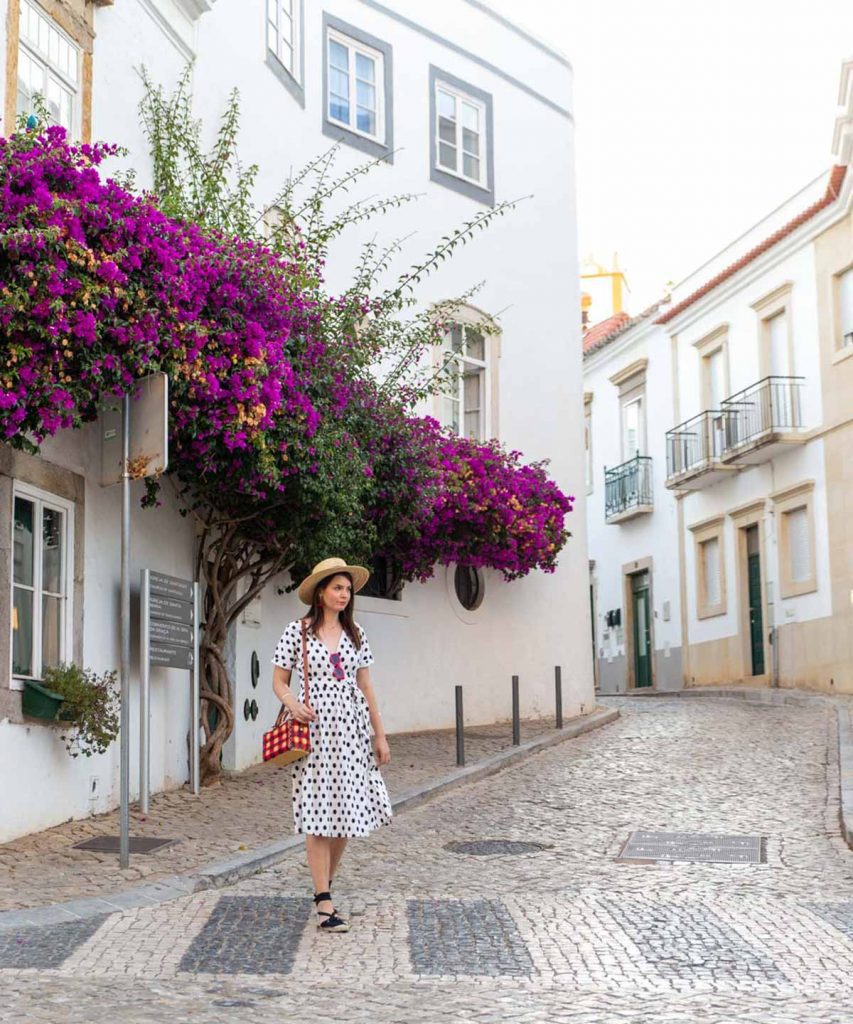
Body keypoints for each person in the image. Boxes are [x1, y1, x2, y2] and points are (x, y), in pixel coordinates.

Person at [271, 557, 392, 933]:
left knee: (345, 816)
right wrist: (293, 704)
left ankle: (324, 888)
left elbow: (366, 686)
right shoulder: (298, 632)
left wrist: (380, 733)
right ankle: (324, 902)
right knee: (317, 815)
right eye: (337, 588)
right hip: (316, 733)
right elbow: (278, 681)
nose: (344, 594)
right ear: (321, 592)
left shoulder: (356, 633)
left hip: (352, 734)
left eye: (347, 589)